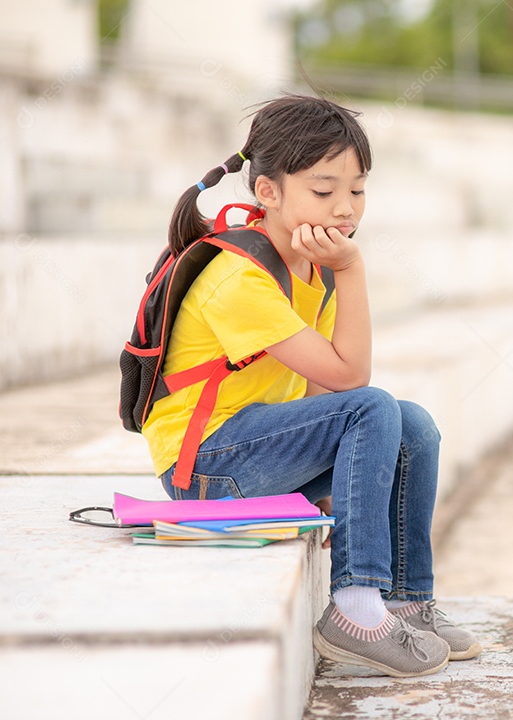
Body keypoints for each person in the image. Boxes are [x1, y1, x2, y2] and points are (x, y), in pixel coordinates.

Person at [141, 94, 480, 677]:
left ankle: (405, 601)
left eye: (358, 190)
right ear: (267, 191)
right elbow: (353, 379)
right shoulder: (239, 278)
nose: (345, 209)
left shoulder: (309, 265)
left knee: (412, 426)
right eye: (324, 191)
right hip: (203, 467)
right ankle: (355, 608)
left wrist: (332, 481)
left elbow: (324, 387)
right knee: (374, 407)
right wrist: (352, 269)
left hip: (256, 448)